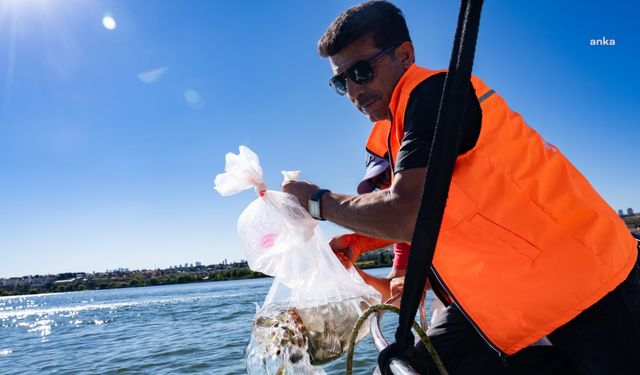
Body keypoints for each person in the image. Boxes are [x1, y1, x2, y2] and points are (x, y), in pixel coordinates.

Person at [283, 1, 640, 373]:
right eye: (342, 82)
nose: (354, 90)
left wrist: (316, 201)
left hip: (592, 286)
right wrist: (361, 241)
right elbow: (450, 207)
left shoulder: (435, 94)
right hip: (515, 293)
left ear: (405, 55)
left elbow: (408, 213)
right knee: (409, 367)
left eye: (362, 70)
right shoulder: (397, 124)